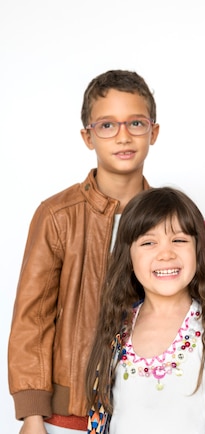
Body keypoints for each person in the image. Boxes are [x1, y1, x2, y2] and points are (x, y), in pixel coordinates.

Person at [8, 70, 160, 434]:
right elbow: (33, 318)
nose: (123, 136)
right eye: (107, 125)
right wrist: (32, 413)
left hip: (147, 407)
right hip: (69, 413)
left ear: (154, 132)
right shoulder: (58, 215)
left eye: (136, 123)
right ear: (87, 136)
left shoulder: (168, 217)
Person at [85, 187, 205, 434]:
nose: (166, 253)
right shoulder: (116, 328)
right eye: (149, 242)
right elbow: (98, 419)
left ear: (198, 249)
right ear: (128, 255)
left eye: (179, 240)